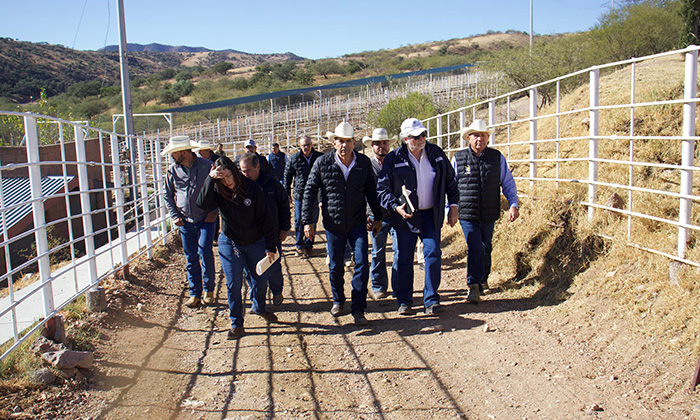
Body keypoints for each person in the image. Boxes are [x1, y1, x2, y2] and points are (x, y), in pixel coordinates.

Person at [302, 122, 383, 325]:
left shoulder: (363, 163)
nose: (344, 145)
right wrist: (307, 221)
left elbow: (371, 192)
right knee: (336, 265)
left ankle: (358, 307)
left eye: (348, 141)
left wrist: (377, 217)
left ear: (353, 142)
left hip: (357, 222)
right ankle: (338, 300)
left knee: (362, 264)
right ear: (334, 142)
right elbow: (310, 191)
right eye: (341, 141)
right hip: (334, 223)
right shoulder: (322, 163)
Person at [377, 118, 459, 316]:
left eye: (423, 134)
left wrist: (454, 206)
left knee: (432, 254)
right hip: (405, 217)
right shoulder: (393, 158)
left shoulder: (436, 154)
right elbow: (382, 189)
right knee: (404, 258)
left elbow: (450, 181)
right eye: (416, 136)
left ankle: (431, 300)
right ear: (405, 138)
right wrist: (395, 206)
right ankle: (404, 301)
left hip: (432, 214)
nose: (421, 138)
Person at [197, 155, 279, 339]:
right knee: (233, 283)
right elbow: (202, 204)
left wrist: (270, 245)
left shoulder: (251, 187)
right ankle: (236, 323)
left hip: (256, 240)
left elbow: (265, 217)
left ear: (234, 172)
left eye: (228, 176)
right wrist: (211, 180)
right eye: (221, 178)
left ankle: (259, 307)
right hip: (230, 241)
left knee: (260, 279)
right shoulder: (218, 190)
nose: (227, 181)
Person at [454, 119, 519, 303]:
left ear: (488, 138)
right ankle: (473, 285)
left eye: (483, 135)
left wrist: (513, 203)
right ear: (468, 138)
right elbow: (451, 186)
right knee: (475, 246)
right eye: (476, 135)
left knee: (486, 246)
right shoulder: (458, 159)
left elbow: (507, 183)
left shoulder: (497, 158)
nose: (479, 139)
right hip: (467, 213)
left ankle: (483, 279)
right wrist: (449, 209)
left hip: (489, 211)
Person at [162, 135, 218, 308]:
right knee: (190, 257)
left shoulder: (207, 166)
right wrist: (174, 215)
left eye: (174, 153)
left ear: (184, 152)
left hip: (206, 219)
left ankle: (209, 290)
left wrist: (214, 211)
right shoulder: (172, 170)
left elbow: (219, 188)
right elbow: (167, 194)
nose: (172, 156)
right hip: (185, 221)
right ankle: (195, 293)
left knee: (205, 252)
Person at [239, 152, 291, 306]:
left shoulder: (272, 184)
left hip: (272, 233)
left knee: (274, 267)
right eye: (242, 171)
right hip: (250, 235)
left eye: (248, 170)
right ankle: (256, 299)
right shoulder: (239, 186)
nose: (245, 174)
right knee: (251, 269)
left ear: (258, 167)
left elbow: (283, 206)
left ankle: (276, 291)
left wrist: (284, 227)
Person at [362, 128, 396, 299]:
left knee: (400, 250)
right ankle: (378, 286)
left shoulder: (395, 162)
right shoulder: (367, 166)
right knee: (377, 252)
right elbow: (363, 192)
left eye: (384, 143)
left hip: (396, 214)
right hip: (376, 216)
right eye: (378, 143)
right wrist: (367, 213)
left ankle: (398, 286)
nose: (381, 146)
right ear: (372, 146)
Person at [284, 135, 323, 258]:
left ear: (312, 145)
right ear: (300, 146)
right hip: (300, 194)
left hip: (314, 194)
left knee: (313, 220)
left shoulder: (319, 158)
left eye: (308, 144)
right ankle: (299, 245)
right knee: (298, 220)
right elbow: (287, 175)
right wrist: (287, 193)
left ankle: (309, 245)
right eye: (303, 145)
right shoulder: (294, 158)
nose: (306, 147)